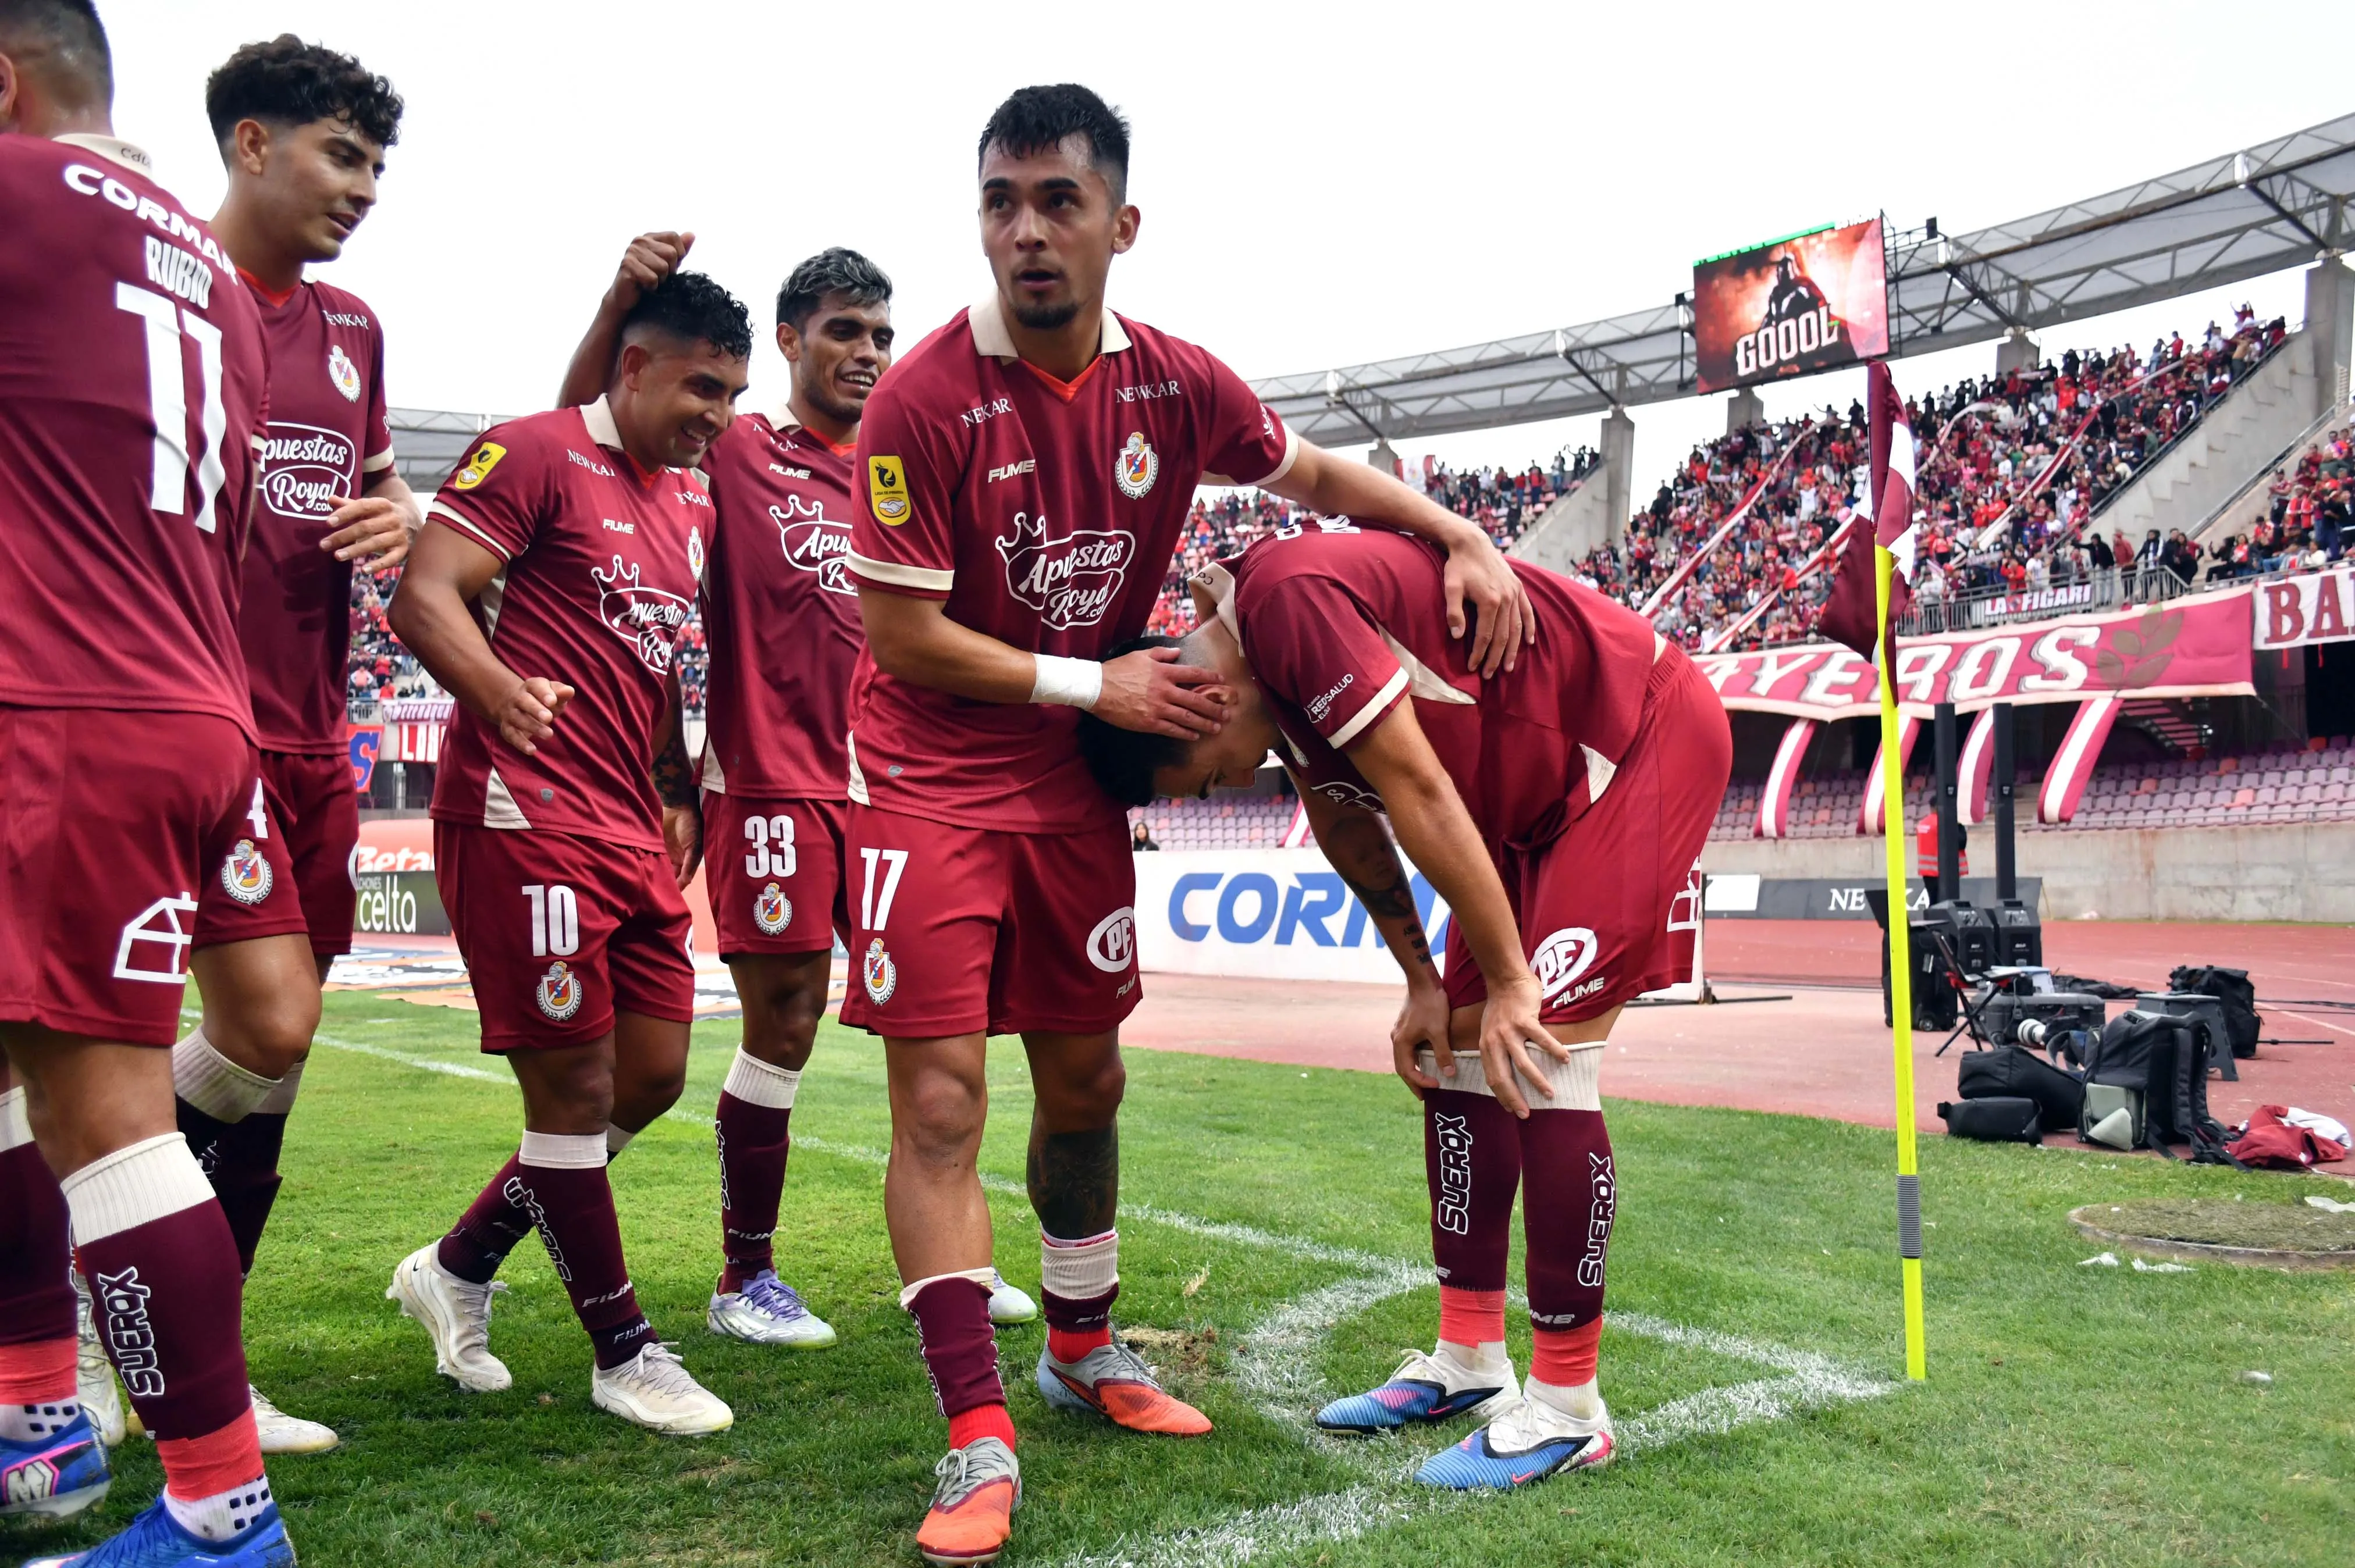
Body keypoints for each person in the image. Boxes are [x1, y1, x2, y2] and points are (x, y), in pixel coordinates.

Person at [842, 83, 1531, 1565]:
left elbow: (1319, 475)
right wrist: (1097, 675)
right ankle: (975, 1432)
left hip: (1078, 790)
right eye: (1000, 203)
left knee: (1084, 1082)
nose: (1026, 233)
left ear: (1119, 224)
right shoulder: (919, 402)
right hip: (927, 781)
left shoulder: (1174, 384)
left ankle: (1082, 1346)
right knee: (945, 1105)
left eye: (1057, 202)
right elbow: (898, 641)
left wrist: (1458, 531)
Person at [1075, 522, 1730, 1490]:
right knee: (1455, 1059)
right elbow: (1344, 817)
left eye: (1210, 771)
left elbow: (1415, 784)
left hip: (1634, 744)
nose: (1233, 781)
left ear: (1196, 706)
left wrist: (1512, 984)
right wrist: (1425, 983)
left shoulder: (1286, 607)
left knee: (1543, 1054)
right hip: (1516, 816)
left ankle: (1567, 1407)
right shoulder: (1261, 660)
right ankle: (1470, 1358)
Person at [552, 237, 1038, 1347]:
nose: (866, 353)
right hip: (770, 776)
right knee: (785, 1024)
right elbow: (584, 430)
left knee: (946, 1020)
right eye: (842, 332)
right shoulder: (737, 451)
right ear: (789, 340)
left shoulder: (899, 466)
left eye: (879, 334)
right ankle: (744, 1280)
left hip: (899, 788)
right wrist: (621, 303)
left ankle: (964, 1252)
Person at [0, 2, 297, 1560]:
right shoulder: (207, 275)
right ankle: (39, 1414)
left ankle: (218, 1515)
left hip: (62, 703)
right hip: (182, 699)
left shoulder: (15, 195)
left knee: (104, 1108)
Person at [381, 270, 751, 1436]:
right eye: (702, 386)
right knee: (574, 1087)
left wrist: (674, 786)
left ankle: (454, 1265)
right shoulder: (533, 452)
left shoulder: (686, 503)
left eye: (735, 395)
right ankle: (623, 1350)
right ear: (631, 366)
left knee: (650, 1078)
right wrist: (495, 691)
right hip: (519, 812)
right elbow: (422, 591)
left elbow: (648, 676)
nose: (718, 415)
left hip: (627, 824)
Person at [123, 33, 416, 1461]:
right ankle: (101, 1333)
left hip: (305, 735)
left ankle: (189, 1352)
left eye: (375, 165)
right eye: (339, 156)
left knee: (275, 1051)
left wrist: (398, 511)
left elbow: (368, 482)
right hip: (160, 708)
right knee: (91, 1045)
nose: (362, 189)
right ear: (249, 143)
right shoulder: (155, 281)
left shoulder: (354, 328)